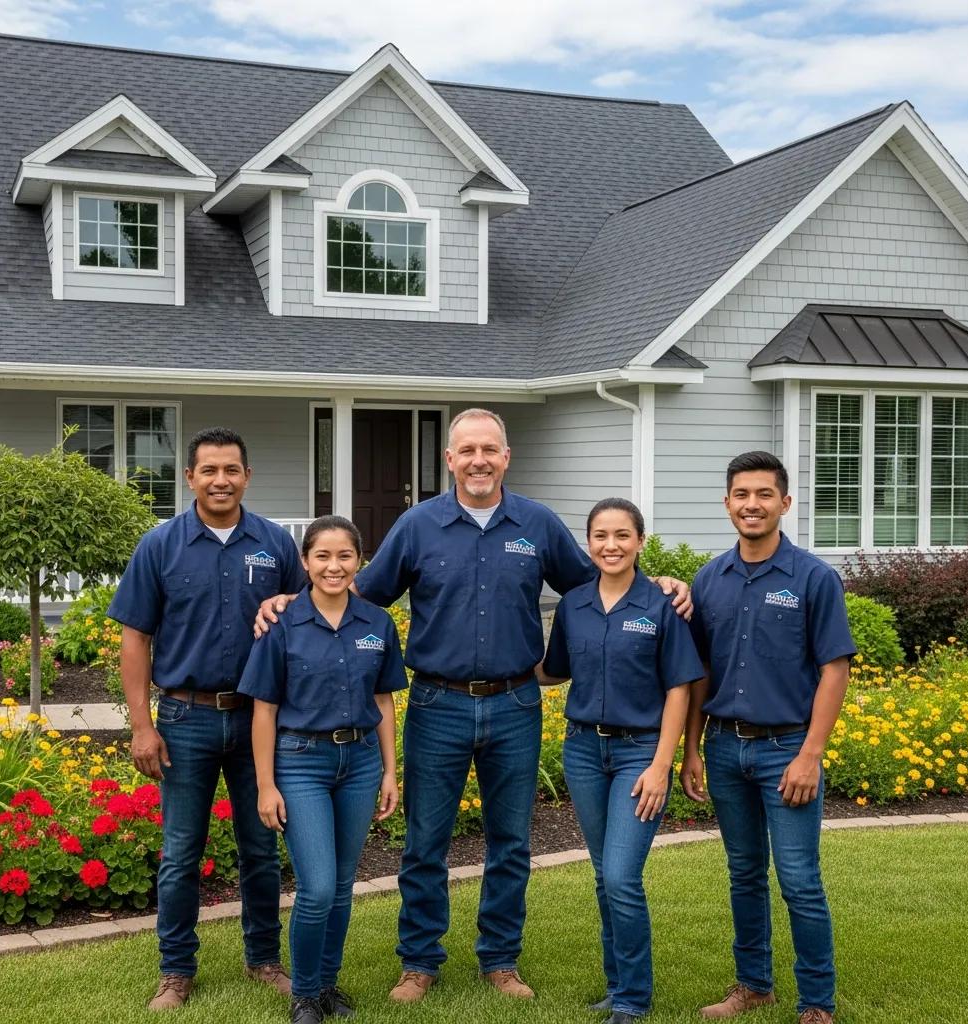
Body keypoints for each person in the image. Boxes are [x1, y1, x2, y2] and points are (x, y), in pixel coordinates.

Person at [256, 408, 692, 1002]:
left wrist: (663, 584)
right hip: (438, 704)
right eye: (467, 450)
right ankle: (419, 961)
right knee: (425, 841)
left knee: (510, 842)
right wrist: (291, 599)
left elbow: (600, 580)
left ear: (506, 457)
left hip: (515, 704)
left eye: (489, 449)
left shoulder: (537, 524)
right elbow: (360, 589)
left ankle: (500, 959)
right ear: (450, 459)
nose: (479, 460)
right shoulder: (418, 526)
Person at [109, 427, 304, 1011]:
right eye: (210, 470)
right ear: (190, 477)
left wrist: (290, 602)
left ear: (247, 476)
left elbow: (310, 614)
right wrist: (141, 726)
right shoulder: (160, 545)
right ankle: (176, 971)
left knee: (261, 848)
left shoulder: (274, 544)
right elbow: (135, 639)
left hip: (257, 721)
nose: (222, 480)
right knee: (180, 854)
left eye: (232, 470)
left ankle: (263, 958)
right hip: (184, 718)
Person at [680, 452, 855, 1024]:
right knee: (745, 873)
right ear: (726, 503)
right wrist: (692, 749)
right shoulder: (710, 580)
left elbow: (834, 669)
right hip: (725, 748)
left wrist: (810, 755)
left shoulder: (813, 578)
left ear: (785, 502)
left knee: (800, 880)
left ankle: (816, 1002)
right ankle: (754, 984)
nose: (751, 504)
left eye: (763, 494)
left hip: (788, 751)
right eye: (741, 494)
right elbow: (700, 672)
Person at [238, 516, 407, 1024]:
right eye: (323, 556)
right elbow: (264, 710)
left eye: (345, 556)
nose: (334, 566)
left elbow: (384, 700)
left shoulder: (377, 623)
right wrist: (266, 785)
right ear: (305, 562)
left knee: (341, 884)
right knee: (315, 888)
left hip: (360, 763)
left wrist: (389, 771)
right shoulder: (280, 624)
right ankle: (305, 995)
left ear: (359, 561)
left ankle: (329, 984)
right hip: (300, 763)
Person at [541, 498, 702, 1023]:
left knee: (620, 876)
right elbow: (553, 669)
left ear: (640, 541)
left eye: (622, 535)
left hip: (640, 753)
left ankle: (633, 997)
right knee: (602, 874)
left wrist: (661, 764)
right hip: (584, 751)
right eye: (600, 536)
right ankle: (616, 987)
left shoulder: (662, 605)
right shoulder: (573, 605)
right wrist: (492, 665)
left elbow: (680, 688)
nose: (611, 545)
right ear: (588, 543)